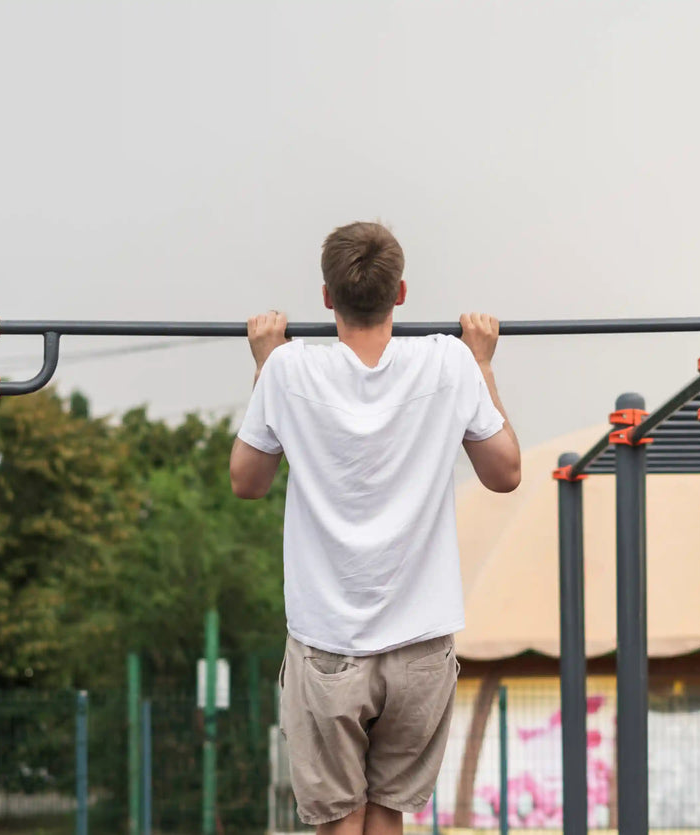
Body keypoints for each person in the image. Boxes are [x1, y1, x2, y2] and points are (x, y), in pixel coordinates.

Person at [230, 221, 522, 834]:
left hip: (328, 641)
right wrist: (483, 364)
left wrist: (263, 366)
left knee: (340, 821)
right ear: (402, 293)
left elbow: (247, 481)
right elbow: (505, 472)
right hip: (419, 642)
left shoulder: (287, 371)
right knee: (388, 815)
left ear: (328, 297)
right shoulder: (450, 362)